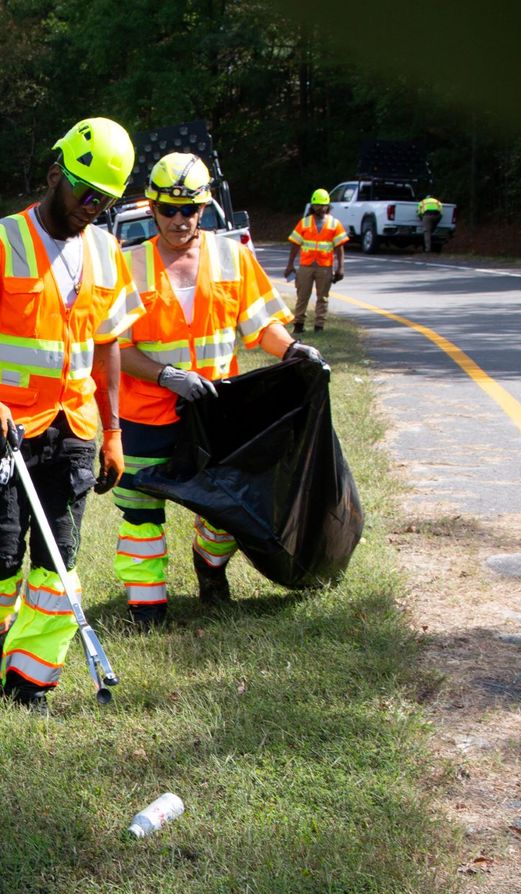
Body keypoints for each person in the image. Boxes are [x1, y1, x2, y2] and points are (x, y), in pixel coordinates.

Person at [0, 117, 143, 710]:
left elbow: (108, 342)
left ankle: (29, 687)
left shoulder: (104, 249)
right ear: (55, 176)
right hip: (5, 432)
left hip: (74, 431)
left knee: (58, 563)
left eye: (107, 200)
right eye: (86, 193)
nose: (93, 208)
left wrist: (115, 431)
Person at [111, 153, 325, 628]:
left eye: (189, 210)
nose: (179, 220)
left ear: (204, 207)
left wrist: (291, 351)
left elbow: (260, 324)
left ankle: (210, 573)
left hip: (215, 412)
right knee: (142, 518)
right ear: (151, 206)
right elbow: (112, 347)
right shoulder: (126, 265)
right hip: (146, 416)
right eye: (168, 209)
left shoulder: (232, 256)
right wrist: (167, 376)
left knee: (227, 507)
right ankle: (147, 609)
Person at [283, 188, 348, 333]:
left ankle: (319, 326)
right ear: (312, 206)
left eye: (322, 205)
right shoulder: (304, 223)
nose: (319, 208)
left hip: (325, 267)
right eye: (316, 205)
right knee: (302, 296)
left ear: (328, 206)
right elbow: (295, 244)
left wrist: (340, 267)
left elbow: (339, 247)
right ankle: (298, 325)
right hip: (306, 266)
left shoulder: (334, 224)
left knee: (322, 297)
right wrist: (290, 265)